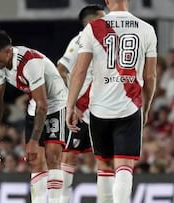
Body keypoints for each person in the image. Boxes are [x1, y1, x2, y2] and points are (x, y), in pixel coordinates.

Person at [66, 0, 157, 203]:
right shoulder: (147, 29)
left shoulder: (93, 28)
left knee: (105, 165)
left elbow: (79, 71)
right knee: (124, 166)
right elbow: (150, 77)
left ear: (107, 1)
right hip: (129, 106)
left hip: (99, 109)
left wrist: (71, 105)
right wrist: (147, 106)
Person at [0, 30, 68, 203]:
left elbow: (43, 104)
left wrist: (34, 140)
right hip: (35, 106)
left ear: (8, 51)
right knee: (35, 160)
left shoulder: (31, 62)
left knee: (53, 156)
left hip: (56, 103)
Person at [56, 5, 106, 203]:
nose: (107, 22)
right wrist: (72, 103)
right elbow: (61, 69)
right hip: (81, 109)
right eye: (103, 19)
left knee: (106, 156)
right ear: (92, 22)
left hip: (101, 107)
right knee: (69, 156)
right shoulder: (79, 41)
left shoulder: (105, 42)